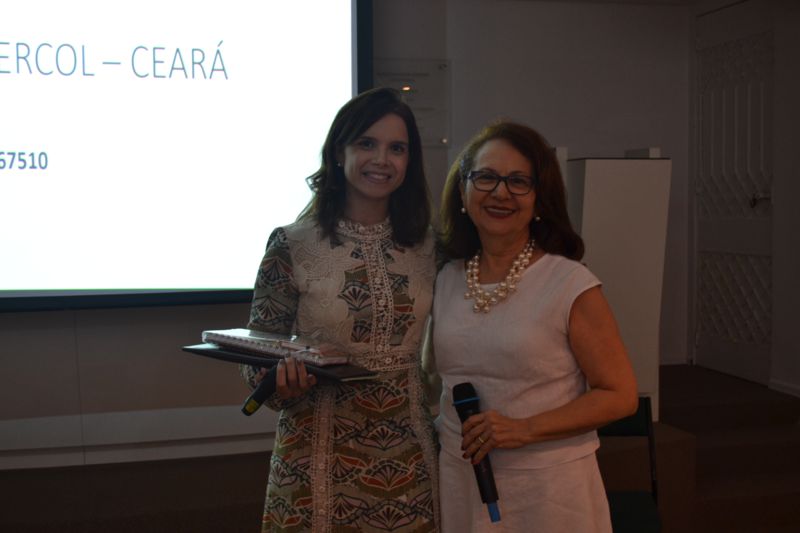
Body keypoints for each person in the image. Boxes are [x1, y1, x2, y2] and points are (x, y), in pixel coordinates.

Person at [240, 87, 439, 532]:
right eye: (367, 143)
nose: (382, 159)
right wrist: (282, 380)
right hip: (315, 453)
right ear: (338, 152)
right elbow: (255, 358)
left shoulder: (428, 246)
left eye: (397, 148)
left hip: (409, 457)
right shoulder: (293, 244)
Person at [430, 121, 638, 532]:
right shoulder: (447, 277)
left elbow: (620, 395)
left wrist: (523, 429)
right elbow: (436, 376)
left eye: (518, 181)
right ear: (463, 191)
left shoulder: (569, 283)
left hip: (548, 488)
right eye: (486, 177)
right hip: (461, 478)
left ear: (540, 198)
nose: (500, 192)